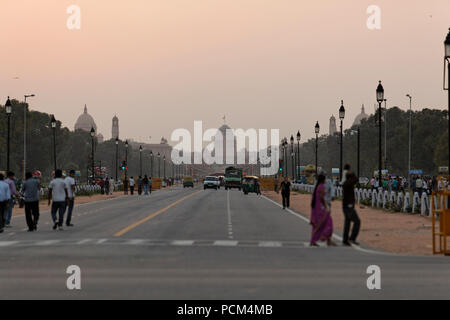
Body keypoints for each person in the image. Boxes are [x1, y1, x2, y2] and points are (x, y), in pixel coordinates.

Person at [310, 174, 335, 247]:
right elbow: (321, 197)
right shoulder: (322, 187)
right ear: (323, 180)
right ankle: (325, 237)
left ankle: (314, 240)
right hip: (321, 207)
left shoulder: (317, 187)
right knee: (328, 221)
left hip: (316, 207)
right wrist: (325, 206)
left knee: (317, 223)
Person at [342, 171, 360, 246]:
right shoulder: (348, 184)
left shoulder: (347, 183)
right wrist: (353, 175)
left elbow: (356, 180)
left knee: (347, 223)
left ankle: (345, 240)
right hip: (348, 207)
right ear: (350, 178)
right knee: (357, 221)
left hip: (346, 206)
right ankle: (352, 238)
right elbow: (356, 179)